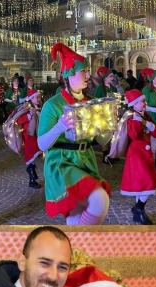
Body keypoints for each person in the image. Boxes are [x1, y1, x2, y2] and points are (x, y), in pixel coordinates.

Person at [37, 43, 110, 225]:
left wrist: (110, 126)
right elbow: (42, 144)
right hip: (62, 163)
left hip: (85, 159)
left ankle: (77, 247)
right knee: (99, 200)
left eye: (87, 71)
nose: (88, 75)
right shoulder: (52, 105)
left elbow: (102, 140)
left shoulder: (91, 102)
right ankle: (81, 242)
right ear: (69, 75)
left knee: (76, 215)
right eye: (83, 71)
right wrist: (60, 127)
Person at [118, 90, 156, 224]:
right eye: (141, 102)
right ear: (134, 105)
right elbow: (134, 135)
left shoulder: (145, 115)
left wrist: (150, 125)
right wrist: (139, 123)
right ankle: (138, 209)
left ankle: (139, 213)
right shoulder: (132, 117)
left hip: (146, 155)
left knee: (142, 186)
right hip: (137, 155)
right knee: (147, 182)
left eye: (143, 101)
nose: (144, 103)